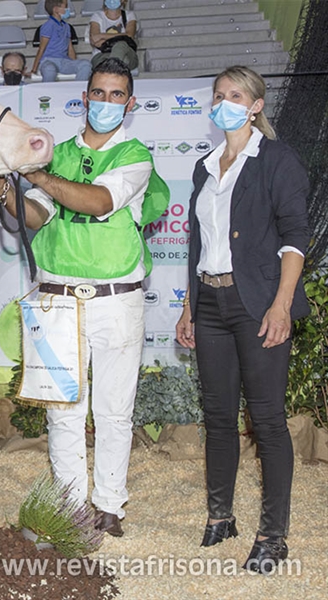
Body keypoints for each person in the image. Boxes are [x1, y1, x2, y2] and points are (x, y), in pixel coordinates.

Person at [0, 58, 168, 538]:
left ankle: (110, 504)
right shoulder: (59, 154)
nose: (106, 102)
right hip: (57, 295)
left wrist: (34, 172)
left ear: (129, 104)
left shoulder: (136, 157)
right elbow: (35, 216)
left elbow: (97, 201)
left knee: (114, 409)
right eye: (98, 93)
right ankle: (69, 508)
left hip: (117, 299)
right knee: (62, 410)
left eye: (116, 95)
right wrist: (4, 186)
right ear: (84, 97)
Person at [175, 66, 310, 575]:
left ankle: (273, 536)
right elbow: (197, 244)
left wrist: (281, 303)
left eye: (235, 95)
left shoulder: (276, 160)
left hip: (258, 306)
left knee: (268, 422)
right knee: (217, 418)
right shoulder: (205, 167)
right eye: (218, 95)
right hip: (209, 305)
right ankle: (220, 516)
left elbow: (296, 238)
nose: (224, 102)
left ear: (255, 106)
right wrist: (189, 304)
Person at [29, 0, 91, 83]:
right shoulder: (48, 26)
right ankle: (48, 94)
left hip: (64, 61)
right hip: (49, 60)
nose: (67, 9)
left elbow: (70, 48)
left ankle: (77, 91)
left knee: (85, 65)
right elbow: (41, 49)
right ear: (56, 10)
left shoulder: (66, 26)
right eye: (65, 7)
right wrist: (34, 69)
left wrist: (74, 63)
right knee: (49, 69)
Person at [89, 0, 138, 70]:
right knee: (122, 62)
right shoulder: (97, 16)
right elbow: (95, 39)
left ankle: (112, 69)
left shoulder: (129, 15)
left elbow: (129, 35)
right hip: (102, 55)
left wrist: (102, 36)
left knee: (121, 45)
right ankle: (114, 69)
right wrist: (122, 36)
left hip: (126, 53)